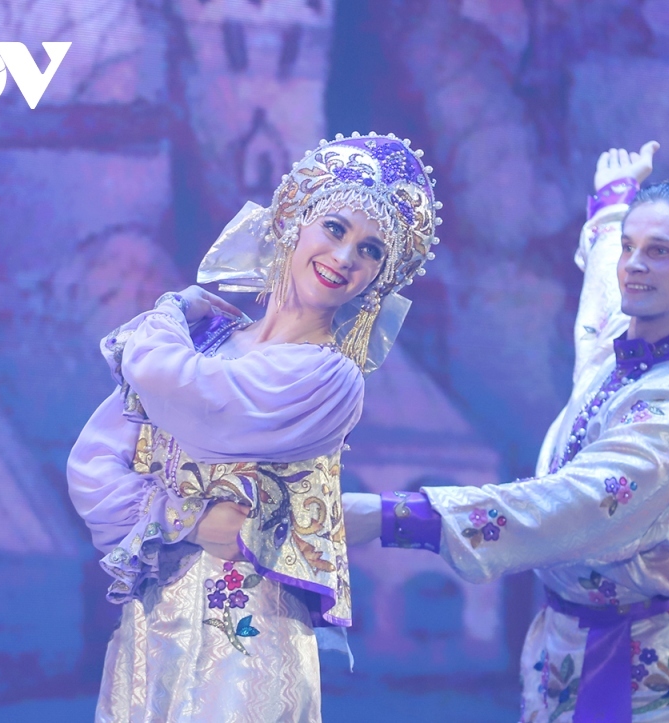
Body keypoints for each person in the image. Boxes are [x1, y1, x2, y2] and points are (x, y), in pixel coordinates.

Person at [343, 145, 669, 723]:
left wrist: (394, 516)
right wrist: (613, 204)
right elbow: (605, 282)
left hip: (638, 670)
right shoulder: (620, 348)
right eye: (631, 247)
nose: (633, 264)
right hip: (563, 650)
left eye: (659, 252)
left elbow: (578, 505)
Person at [66, 131, 441, 722]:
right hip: (149, 621)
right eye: (336, 229)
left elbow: (192, 397)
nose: (345, 258)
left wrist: (168, 312)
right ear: (295, 221)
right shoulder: (210, 338)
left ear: (380, 279)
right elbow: (91, 466)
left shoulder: (329, 380)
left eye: (371, 251)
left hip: (244, 640)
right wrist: (180, 521)